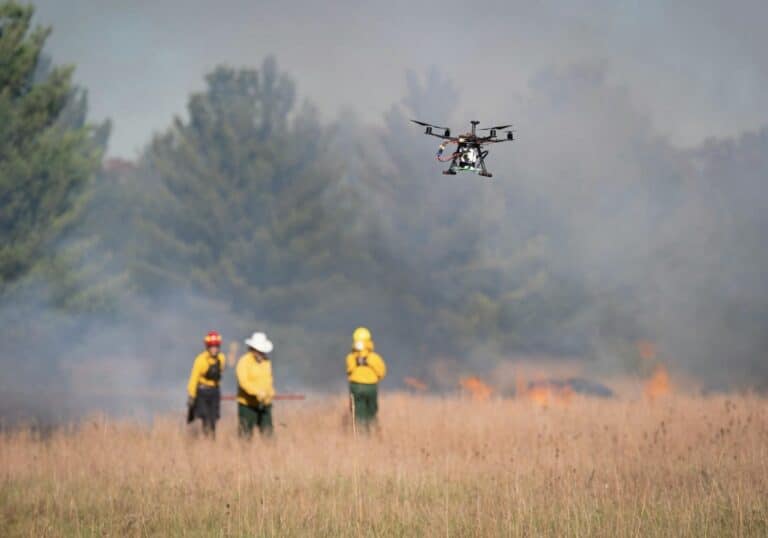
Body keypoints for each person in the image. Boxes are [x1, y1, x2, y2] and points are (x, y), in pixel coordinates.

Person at [346, 327, 387, 431]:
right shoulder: (374, 357)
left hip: (356, 387)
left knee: (358, 413)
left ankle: (361, 434)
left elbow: (349, 371)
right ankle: (372, 431)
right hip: (371, 387)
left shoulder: (350, 357)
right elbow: (382, 372)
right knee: (372, 412)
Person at [236, 331, 276, 438]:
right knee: (245, 436)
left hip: (265, 405)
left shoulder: (266, 362)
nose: (262, 353)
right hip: (247, 405)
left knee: (269, 435)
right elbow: (243, 382)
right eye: (260, 350)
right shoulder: (244, 362)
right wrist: (257, 392)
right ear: (253, 349)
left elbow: (269, 379)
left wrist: (270, 393)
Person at [186, 331, 226, 437]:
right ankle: (202, 437)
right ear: (207, 347)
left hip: (215, 391)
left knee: (213, 418)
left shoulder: (221, 358)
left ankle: (210, 439)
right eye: (212, 346)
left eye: (216, 346)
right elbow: (194, 378)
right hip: (202, 392)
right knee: (204, 417)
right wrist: (191, 395)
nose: (214, 349)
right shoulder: (200, 360)